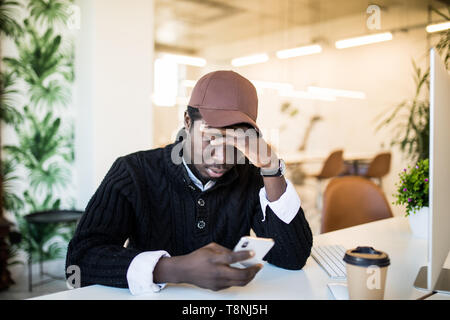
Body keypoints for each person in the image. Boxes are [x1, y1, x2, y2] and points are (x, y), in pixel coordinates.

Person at [66, 70, 313, 295]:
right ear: (187, 121)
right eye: (211, 137)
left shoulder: (250, 175)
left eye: (236, 143)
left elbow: (292, 257)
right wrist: (174, 269)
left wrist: (271, 169)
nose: (222, 159)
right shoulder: (134, 171)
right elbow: (79, 262)